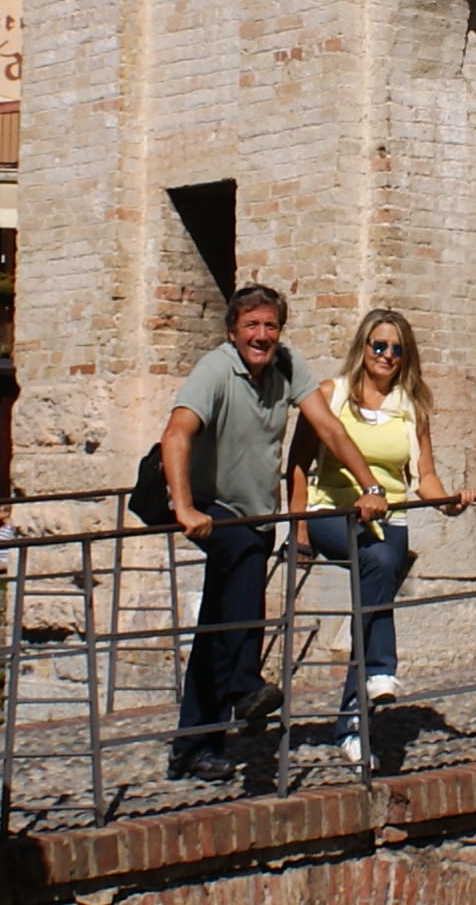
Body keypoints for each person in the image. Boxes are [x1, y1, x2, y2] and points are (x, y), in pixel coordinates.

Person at [160, 285, 389, 783]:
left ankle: (194, 746)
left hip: (256, 511)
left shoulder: (286, 365)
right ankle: (244, 685)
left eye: (270, 326)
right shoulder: (216, 370)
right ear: (233, 331)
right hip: (211, 507)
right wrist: (182, 507)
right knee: (242, 561)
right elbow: (176, 433)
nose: (261, 336)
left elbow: (327, 427)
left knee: (219, 622)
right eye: (252, 326)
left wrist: (369, 484)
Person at [289, 307, 469, 764]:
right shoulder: (331, 394)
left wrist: (446, 502)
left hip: (390, 518)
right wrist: (300, 530)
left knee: (377, 578)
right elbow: (297, 464)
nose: (387, 355)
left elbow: (423, 475)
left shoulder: (412, 407)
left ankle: (352, 722)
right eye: (379, 346)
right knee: (381, 564)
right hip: (333, 511)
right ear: (363, 348)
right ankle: (382, 672)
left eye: (397, 349)